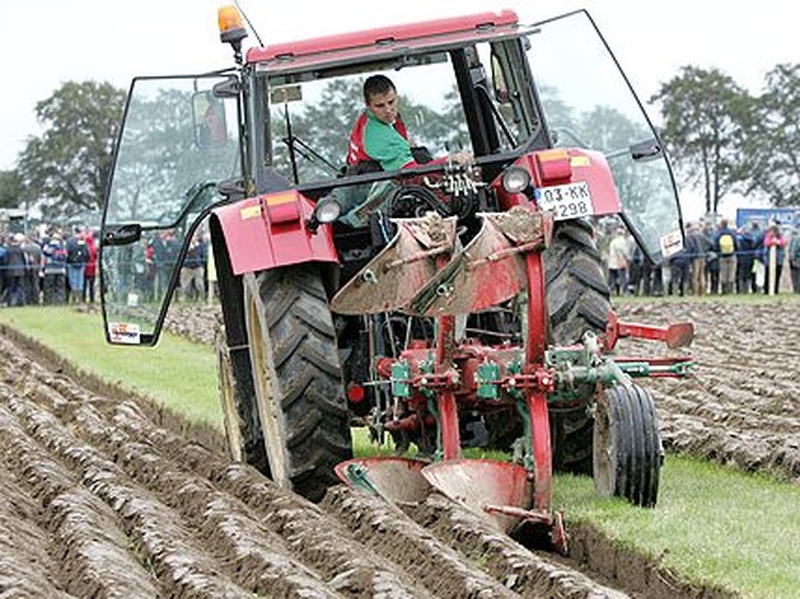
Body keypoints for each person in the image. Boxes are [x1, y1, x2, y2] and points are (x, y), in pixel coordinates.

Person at [346, 74, 472, 172]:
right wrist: (448, 161)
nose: (388, 110)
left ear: (397, 96)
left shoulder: (366, 121)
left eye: (391, 102)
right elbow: (411, 175)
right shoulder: (379, 135)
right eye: (380, 106)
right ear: (368, 105)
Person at [713, 218, 737, 294]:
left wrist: (718, 252)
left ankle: (724, 290)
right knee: (731, 273)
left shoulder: (719, 234)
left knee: (723, 273)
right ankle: (730, 290)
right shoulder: (731, 233)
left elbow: (715, 245)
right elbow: (736, 244)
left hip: (722, 256)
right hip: (732, 255)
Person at [606, 225, 630, 296]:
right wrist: (627, 258)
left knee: (612, 279)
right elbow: (625, 252)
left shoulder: (613, 241)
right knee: (623, 278)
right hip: (620, 262)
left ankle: (611, 291)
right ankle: (624, 292)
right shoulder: (622, 241)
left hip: (611, 263)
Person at [763, 223, 787, 295]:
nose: (771, 232)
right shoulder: (767, 237)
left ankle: (775, 290)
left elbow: (783, 242)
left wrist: (778, 242)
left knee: (777, 276)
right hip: (768, 261)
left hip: (779, 260)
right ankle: (766, 290)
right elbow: (766, 243)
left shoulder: (780, 237)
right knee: (767, 276)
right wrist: (773, 242)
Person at [790, 226, 800, 293]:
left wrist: (793, 258)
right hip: (797, 258)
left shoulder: (796, 239)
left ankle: (796, 288)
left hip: (797, 258)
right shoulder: (797, 239)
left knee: (796, 275)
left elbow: (794, 250)